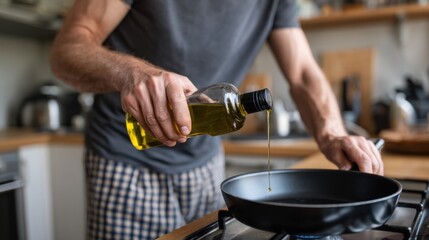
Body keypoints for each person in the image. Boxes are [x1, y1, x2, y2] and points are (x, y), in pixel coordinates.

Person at [50, 0, 383, 239]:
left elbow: (302, 73)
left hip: (205, 164)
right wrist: (131, 72)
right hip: (126, 163)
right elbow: (67, 49)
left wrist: (332, 133)